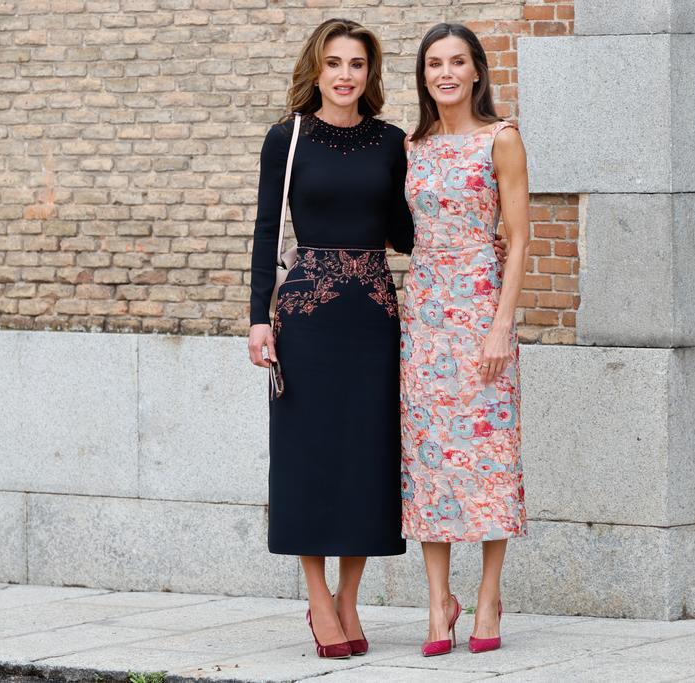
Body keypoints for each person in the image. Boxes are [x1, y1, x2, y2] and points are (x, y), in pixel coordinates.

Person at [246, 18, 413, 660]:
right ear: (316, 69)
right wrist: (259, 317)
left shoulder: (392, 141)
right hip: (306, 316)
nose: (346, 75)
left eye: (358, 65)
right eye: (335, 62)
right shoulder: (285, 139)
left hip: (373, 315)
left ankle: (350, 598)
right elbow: (266, 231)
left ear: (371, 75)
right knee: (309, 453)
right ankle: (318, 598)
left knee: (367, 455)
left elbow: (404, 230)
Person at [399, 22, 530, 657]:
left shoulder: (501, 139)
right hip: (424, 315)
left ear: (476, 70)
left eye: (456, 62)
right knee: (431, 459)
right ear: (423, 77)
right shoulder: (412, 146)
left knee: (489, 454)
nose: (445, 73)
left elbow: (521, 237)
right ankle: (436, 601)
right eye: (433, 65)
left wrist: (503, 323)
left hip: (481, 309)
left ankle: (488, 595)